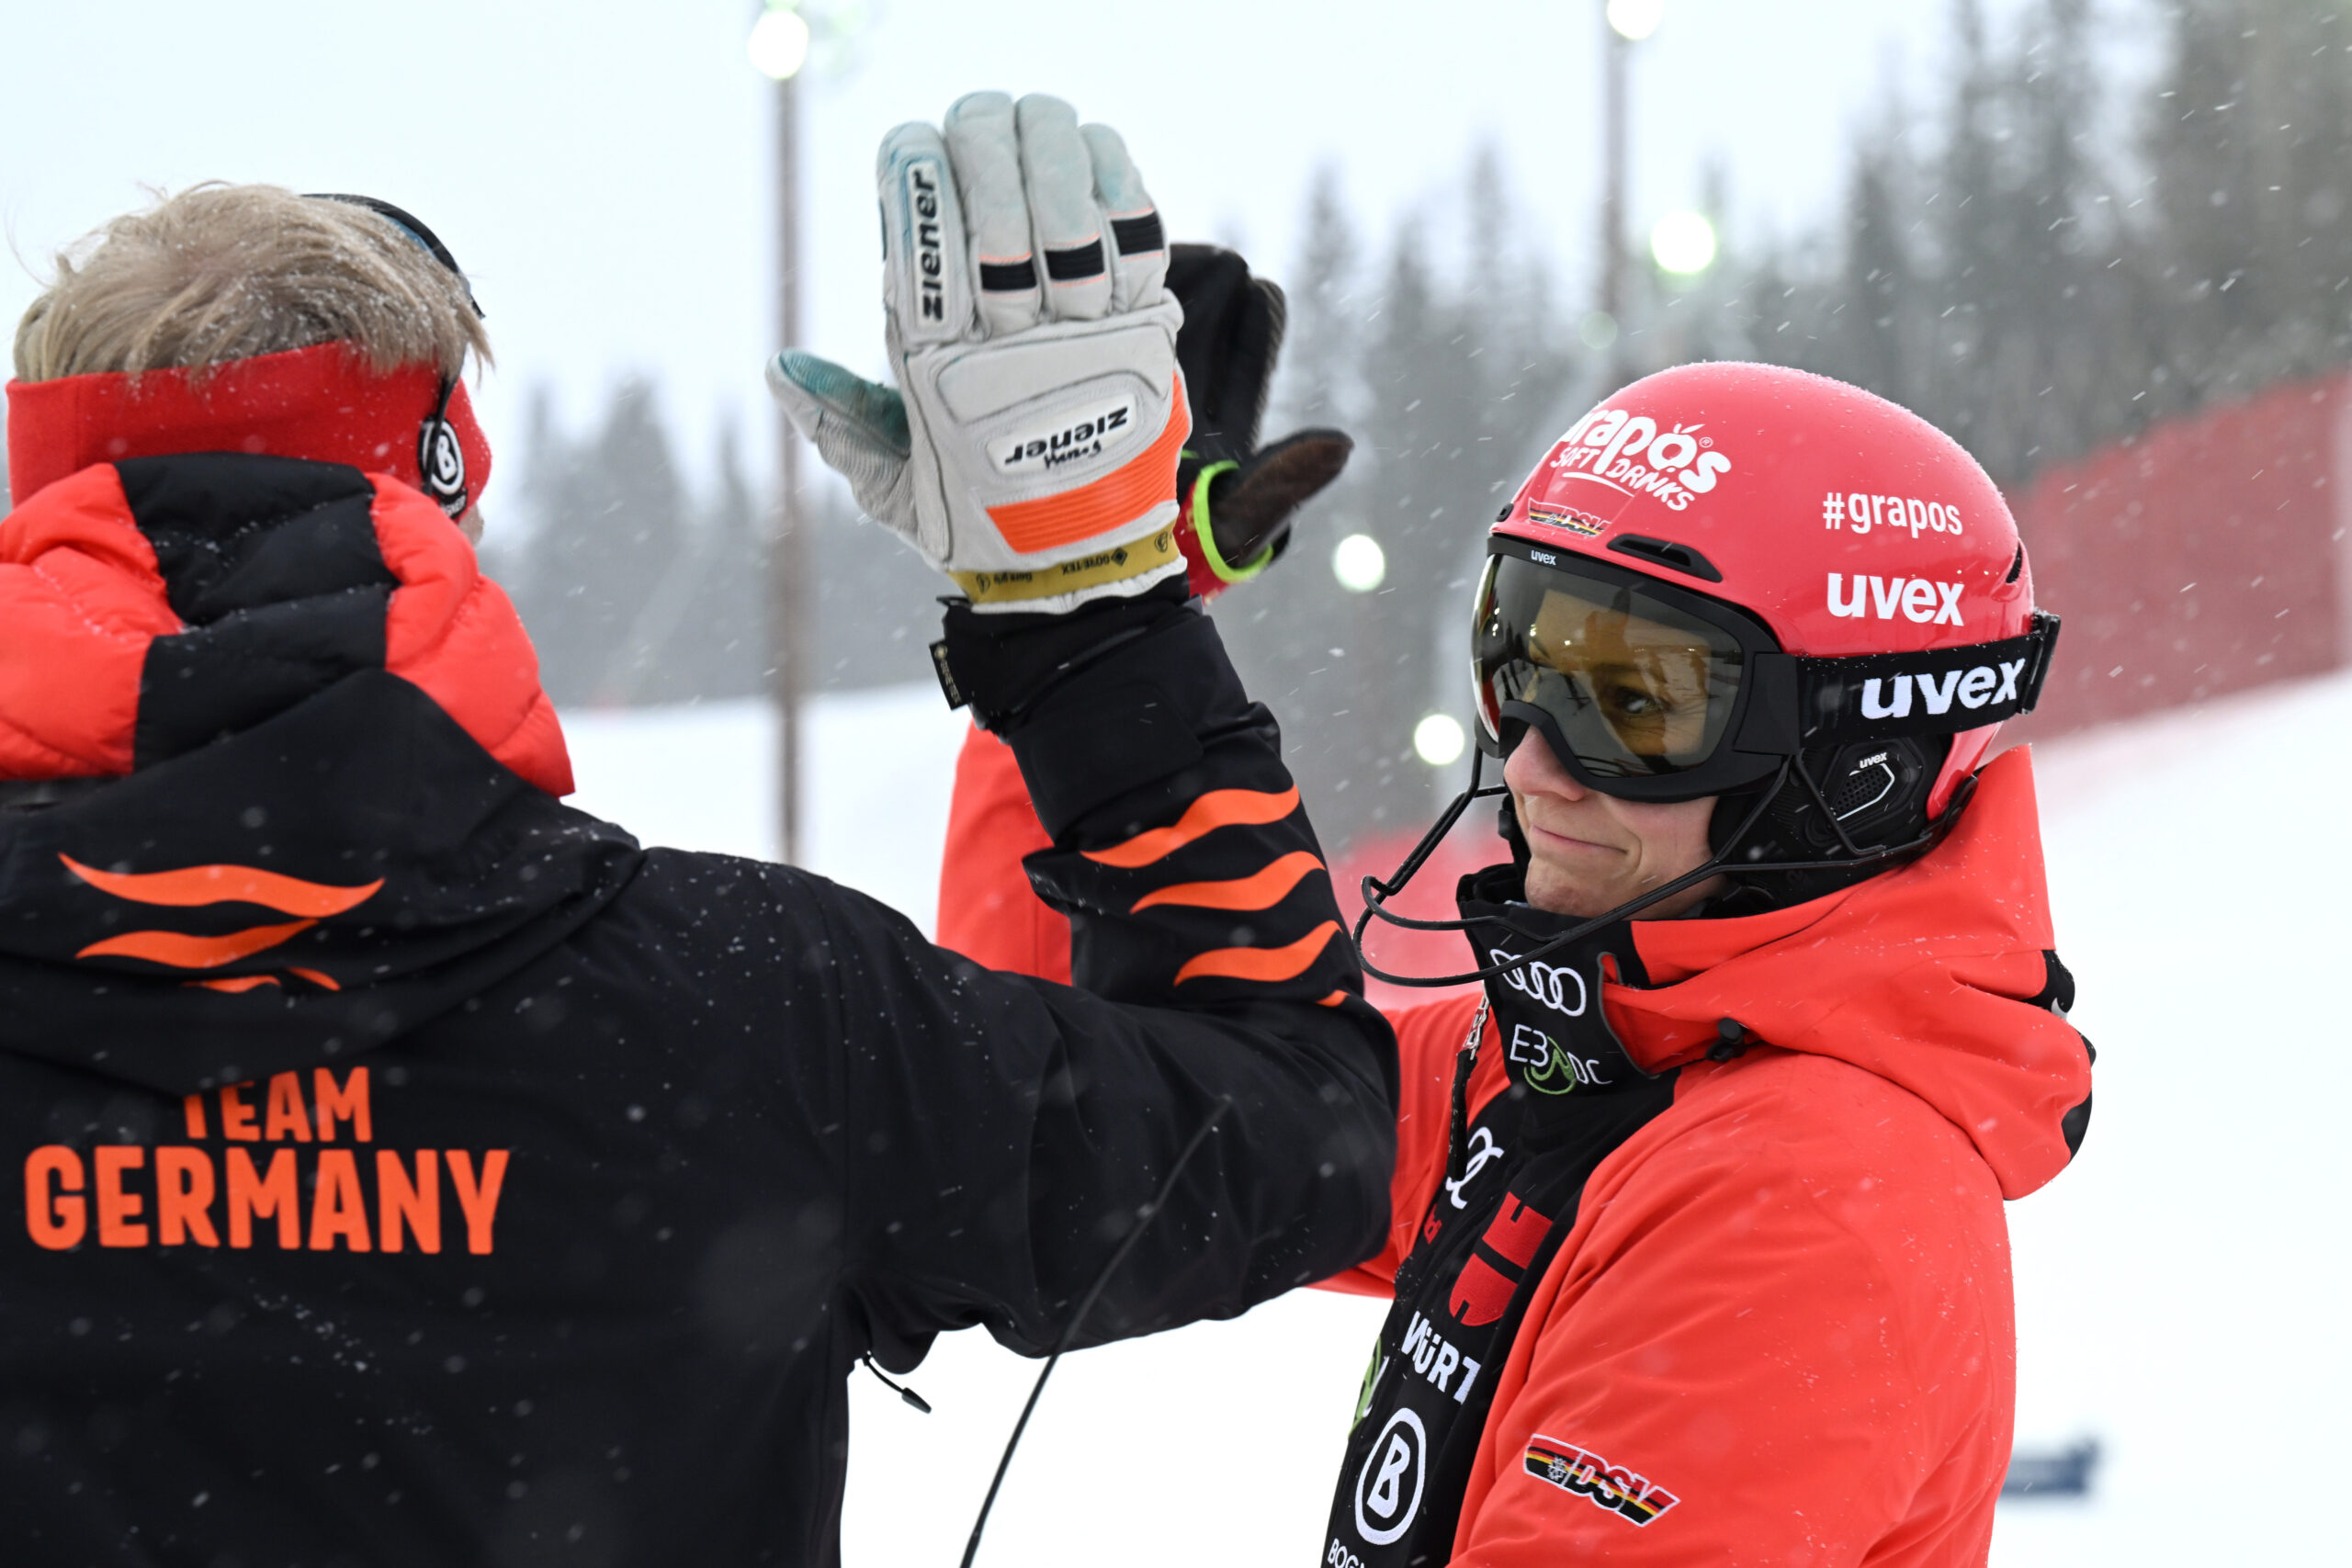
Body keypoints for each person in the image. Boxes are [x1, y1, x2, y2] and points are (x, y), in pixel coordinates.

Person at [0, 95, 1397, 1566]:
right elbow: (1294, 1135)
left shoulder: (757, 1005)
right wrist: (1092, 611)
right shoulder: (751, 1009)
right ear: (441, 503)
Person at [936, 358, 2097, 1563]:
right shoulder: (1577, 1067)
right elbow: (1102, 1131)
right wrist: (1086, 620)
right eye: (1522, 665)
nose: (1534, 766)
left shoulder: (1810, 1204)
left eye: (1634, 702)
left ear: (1856, 767)